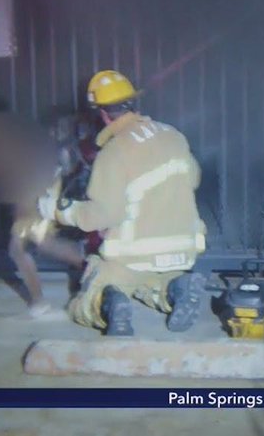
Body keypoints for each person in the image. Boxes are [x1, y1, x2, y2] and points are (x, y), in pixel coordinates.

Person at [37, 70, 208, 336]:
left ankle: (110, 304)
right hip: (182, 254)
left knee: (87, 298)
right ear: (131, 103)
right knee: (150, 286)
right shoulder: (173, 136)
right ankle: (178, 287)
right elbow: (193, 178)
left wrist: (60, 212)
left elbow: (99, 216)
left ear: (101, 114)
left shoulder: (114, 152)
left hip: (134, 256)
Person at [0, 97, 86, 318]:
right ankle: (90, 269)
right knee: (38, 245)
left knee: (22, 247)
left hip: (34, 190)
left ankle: (42, 299)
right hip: (32, 190)